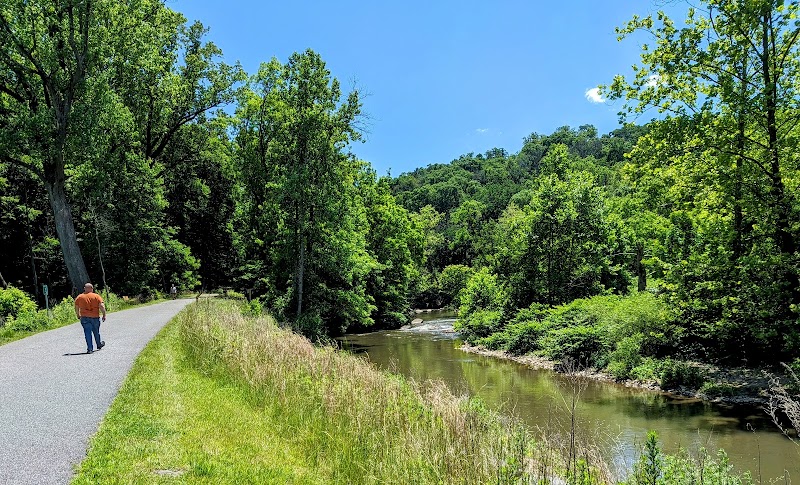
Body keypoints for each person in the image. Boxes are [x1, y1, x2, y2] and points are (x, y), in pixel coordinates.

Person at [74, 283, 106, 354]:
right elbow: (101, 306)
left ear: (84, 288)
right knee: (96, 332)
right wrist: (104, 314)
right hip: (95, 317)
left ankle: (90, 349)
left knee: (87, 333)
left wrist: (78, 314)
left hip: (84, 317)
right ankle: (99, 344)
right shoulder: (96, 296)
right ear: (92, 289)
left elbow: (76, 307)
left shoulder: (79, 297)